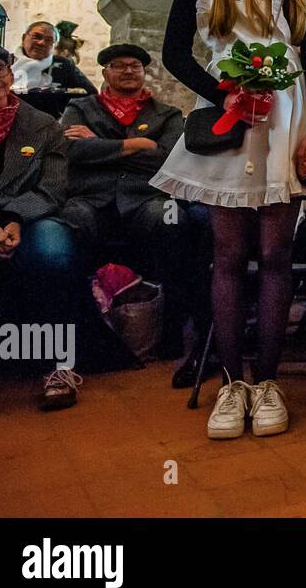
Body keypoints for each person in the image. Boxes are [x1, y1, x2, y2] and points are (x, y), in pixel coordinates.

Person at [151, 0, 306, 440]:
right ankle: (231, 384)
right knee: (228, 254)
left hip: (287, 119)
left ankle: (268, 382)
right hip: (231, 121)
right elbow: (175, 52)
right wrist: (225, 91)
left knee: (276, 255)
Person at [0, 41, 126, 409]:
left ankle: (58, 365)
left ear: (11, 74)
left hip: (34, 215)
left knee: (53, 256)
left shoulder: (43, 125)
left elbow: (54, 186)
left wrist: (14, 218)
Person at [57, 43, 207, 369]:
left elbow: (170, 158)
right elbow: (69, 151)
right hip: (91, 198)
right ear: (106, 72)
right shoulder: (80, 108)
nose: (128, 71)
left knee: (173, 219)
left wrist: (98, 146)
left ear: (143, 72)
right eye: (119, 65)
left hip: (145, 198)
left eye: (134, 66)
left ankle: (170, 330)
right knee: (70, 221)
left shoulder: (166, 114)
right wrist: (137, 145)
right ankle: (85, 333)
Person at [11, 21, 97, 118]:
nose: (41, 43)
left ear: (54, 45)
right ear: (24, 38)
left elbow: (89, 95)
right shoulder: (6, 62)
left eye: (49, 40)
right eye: (37, 37)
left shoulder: (63, 65)